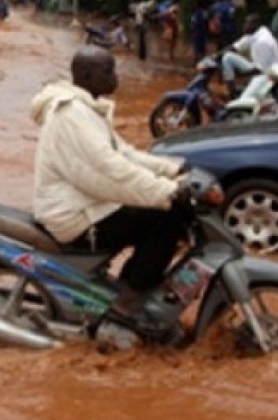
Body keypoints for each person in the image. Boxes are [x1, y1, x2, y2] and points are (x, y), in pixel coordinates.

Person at [30, 46, 190, 327]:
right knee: (164, 221)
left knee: (159, 213)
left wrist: (172, 169)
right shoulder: (72, 116)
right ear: (87, 76)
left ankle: (129, 285)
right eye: (108, 71)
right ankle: (127, 303)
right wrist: (165, 192)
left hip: (87, 205)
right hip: (75, 216)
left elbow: (122, 153)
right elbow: (109, 173)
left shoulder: (87, 110)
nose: (115, 76)